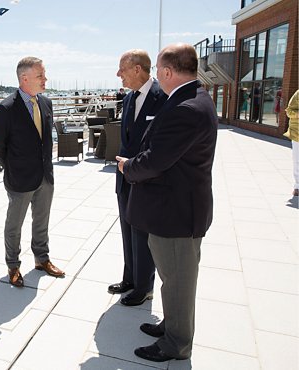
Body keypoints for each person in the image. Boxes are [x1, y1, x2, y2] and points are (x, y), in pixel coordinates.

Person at [116, 43, 218, 362]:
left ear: (168, 71)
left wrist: (127, 167)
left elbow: (157, 160)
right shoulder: (195, 99)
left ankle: (176, 343)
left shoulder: (186, 108)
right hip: (176, 209)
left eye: (159, 69)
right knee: (173, 278)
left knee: (178, 282)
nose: (157, 75)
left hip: (175, 214)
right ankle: (172, 326)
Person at [0, 56, 65, 287]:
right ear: (24, 78)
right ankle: (13, 265)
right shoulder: (6, 108)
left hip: (45, 176)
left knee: (41, 221)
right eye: (40, 75)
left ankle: (42, 259)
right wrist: (11, 167)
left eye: (44, 74)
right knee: (14, 225)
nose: (45, 79)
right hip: (19, 178)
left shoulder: (46, 103)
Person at [109, 49, 167, 307]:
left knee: (143, 236)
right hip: (125, 179)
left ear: (137, 69)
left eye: (122, 69)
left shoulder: (163, 98)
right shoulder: (130, 98)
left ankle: (144, 288)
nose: (118, 74)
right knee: (127, 231)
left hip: (147, 180)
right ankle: (130, 279)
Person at [284, 89, 299, 196]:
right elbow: (289, 111)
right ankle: (298, 186)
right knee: (297, 161)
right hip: (298, 133)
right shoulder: (298, 94)